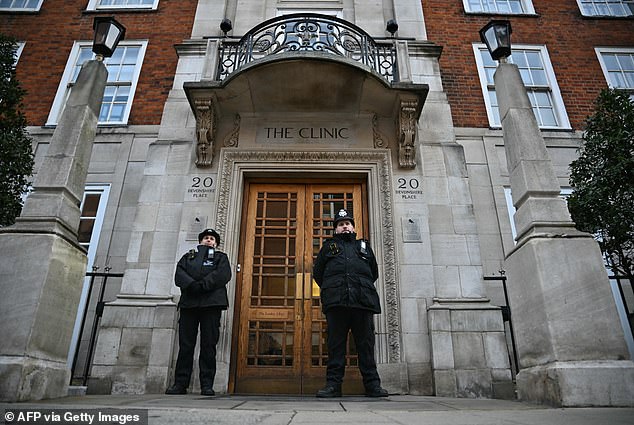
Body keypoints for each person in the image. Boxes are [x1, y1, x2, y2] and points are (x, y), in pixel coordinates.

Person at [313, 209, 388, 398]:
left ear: (353, 227)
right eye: (340, 224)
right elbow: (318, 274)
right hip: (337, 304)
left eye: (347, 223)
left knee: (365, 346)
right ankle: (333, 386)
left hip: (362, 303)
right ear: (336, 229)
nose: (344, 226)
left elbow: (373, 272)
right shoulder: (327, 248)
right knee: (335, 346)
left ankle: (372, 386)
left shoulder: (363, 247)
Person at [165, 228, 232, 396]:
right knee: (186, 345)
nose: (208, 240)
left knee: (209, 345)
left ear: (216, 243)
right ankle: (180, 384)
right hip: (190, 304)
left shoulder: (220, 258)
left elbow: (223, 275)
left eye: (211, 239)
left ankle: (207, 384)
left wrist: (203, 285)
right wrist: (191, 285)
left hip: (211, 305)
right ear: (200, 241)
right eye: (206, 238)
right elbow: (180, 273)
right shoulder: (188, 257)